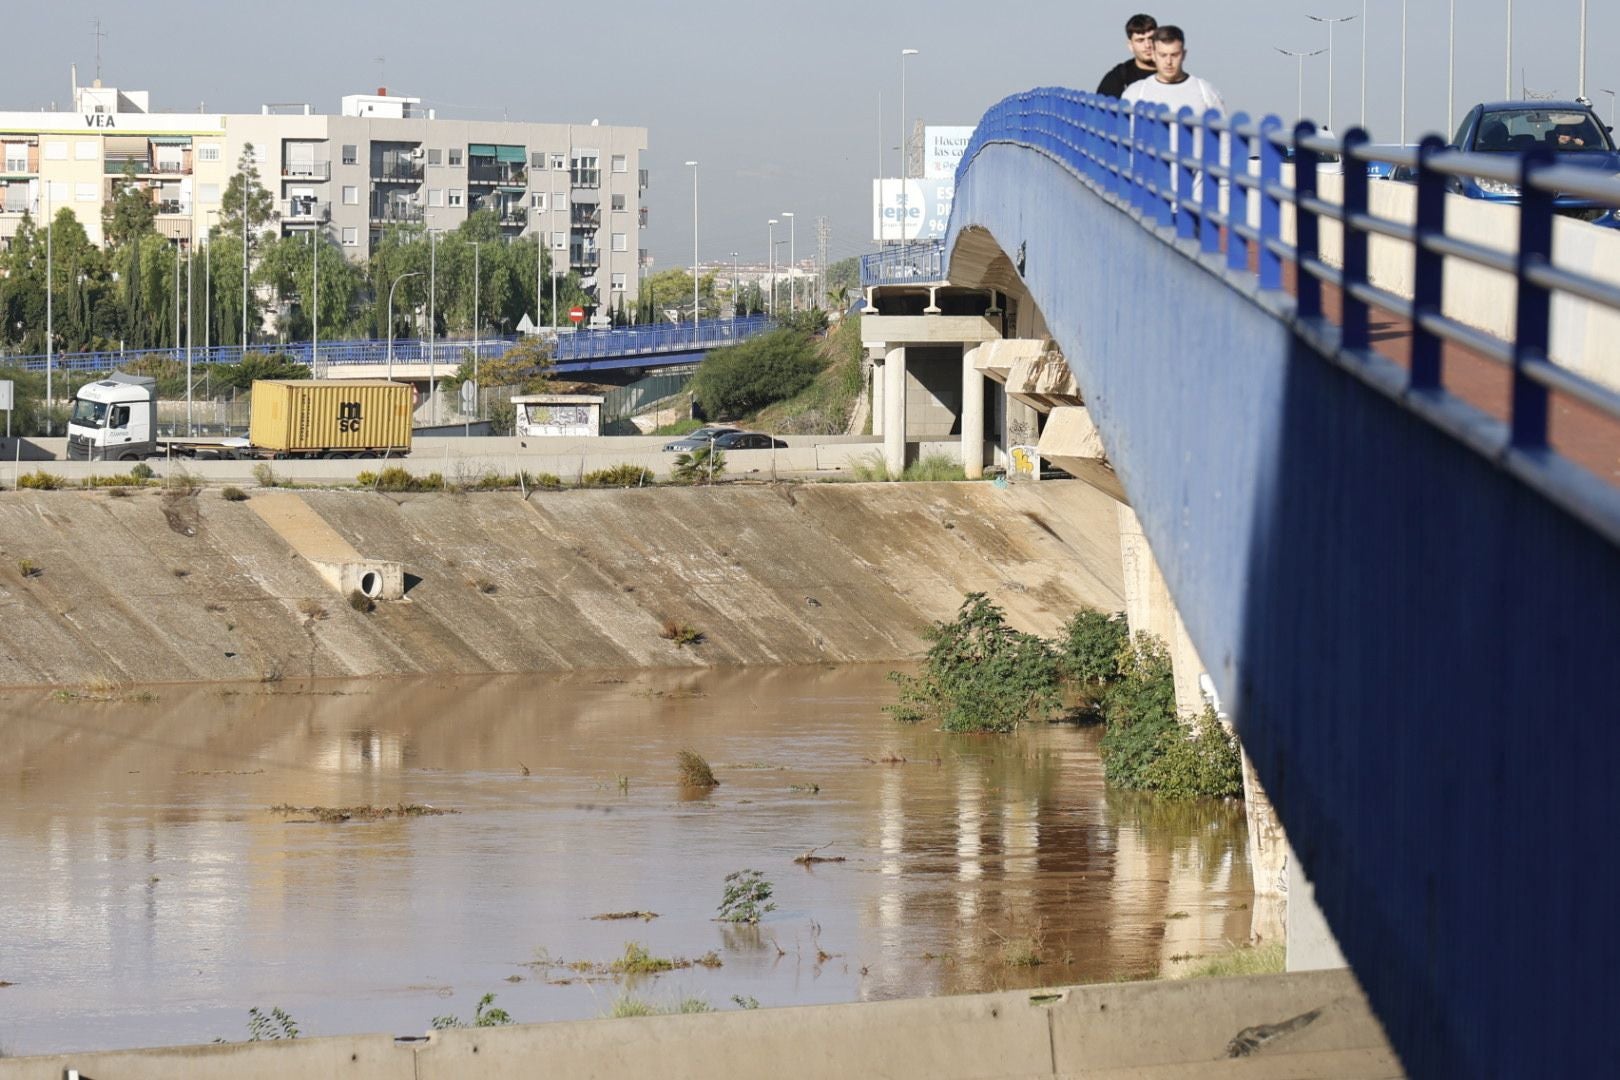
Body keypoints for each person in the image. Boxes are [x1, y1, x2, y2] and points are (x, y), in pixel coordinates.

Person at [1119, 25, 1226, 118]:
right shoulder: (1135, 93)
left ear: (1183, 54)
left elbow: (1223, 137)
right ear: (1154, 55)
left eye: (1174, 55)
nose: (1168, 61)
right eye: (1163, 55)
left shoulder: (1206, 92)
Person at [1096, 13, 1159, 99]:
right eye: (1140, 40)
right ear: (1130, 45)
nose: (1147, 45)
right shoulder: (1118, 78)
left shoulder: (1172, 73)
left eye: (1151, 38)